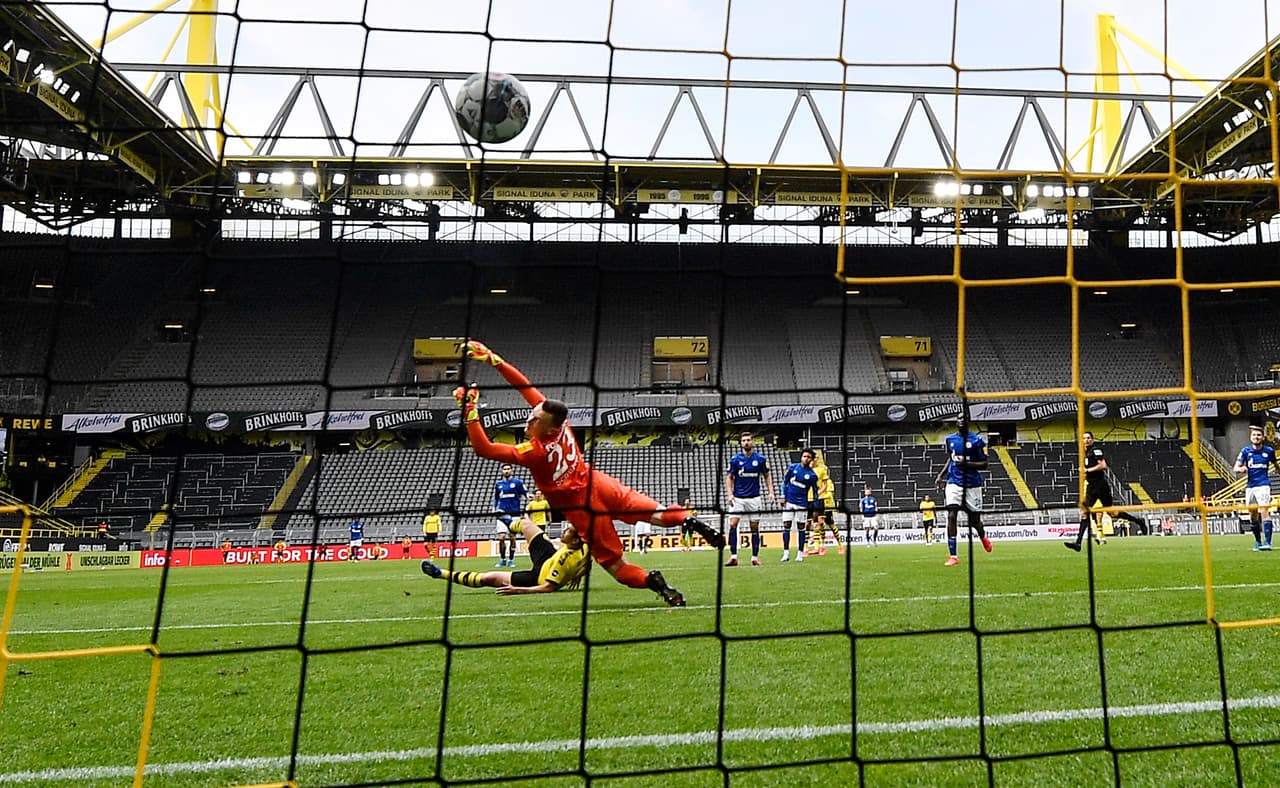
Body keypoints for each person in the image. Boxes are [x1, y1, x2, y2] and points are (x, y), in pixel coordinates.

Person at [452, 340, 722, 606]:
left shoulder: (534, 452)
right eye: (531, 414)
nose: (529, 419)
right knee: (659, 515)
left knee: (617, 567)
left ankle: (657, 584)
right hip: (600, 483)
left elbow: (484, 449)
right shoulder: (560, 424)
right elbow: (526, 387)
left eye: (534, 419)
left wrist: (471, 411)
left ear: (546, 429)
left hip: (585, 509)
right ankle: (689, 520)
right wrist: (494, 360)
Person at [422, 519, 589, 595]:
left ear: (574, 540)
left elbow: (548, 587)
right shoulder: (585, 545)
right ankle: (507, 524)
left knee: (489, 578)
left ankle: (440, 573)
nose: (564, 530)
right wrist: (579, 574)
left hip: (537, 577)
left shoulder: (565, 559)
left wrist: (517, 590)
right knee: (526, 524)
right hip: (548, 558)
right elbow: (589, 559)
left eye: (568, 531)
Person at [1065, 431, 1146, 552]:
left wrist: (1087, 470)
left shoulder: (1096, 450)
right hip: (1091, 487)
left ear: (1092, 440)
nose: (1086, 440)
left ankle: (1138, 521)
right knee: (1085, 513)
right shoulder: (1084, 453)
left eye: (1088, 438)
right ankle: (1078, 543)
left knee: (1112, 513)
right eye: (1084, 438)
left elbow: (1103, 465)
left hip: (1101, 486)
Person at [937, 413, 993, 566]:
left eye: (964, 419)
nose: (961, 421)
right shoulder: (950, 439)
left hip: (972, 484)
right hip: (954, 482)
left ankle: (983, 537)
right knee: (951, 515)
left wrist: (966, 465)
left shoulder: (977, 440)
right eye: (959, 419)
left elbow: (984, 464)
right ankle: (953, 556)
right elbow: (951, 458)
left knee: (975, 521)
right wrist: (940, 475)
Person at [724, 431, 777, 567]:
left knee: (754, 527)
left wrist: (771, 491)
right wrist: (730, 494)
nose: (746, 442)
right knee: (732, 524)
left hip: (754, 498)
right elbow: (729, 478)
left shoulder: (760, 459)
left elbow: (767, 476)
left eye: (748, 440)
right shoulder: (735, 460)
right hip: (738, 498)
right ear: (741, 443)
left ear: (752, 442)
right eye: (744, 440)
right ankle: (733, 556)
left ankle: (754, 557)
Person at [1233, 423, 1279, 551]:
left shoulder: (1269, 451)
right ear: (1250, 437)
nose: (1256, 437)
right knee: (1252, 514)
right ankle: (1258, 542)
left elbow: (1275, 465)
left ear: (1263, 437)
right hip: (1250, 486)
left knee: (1264, 510)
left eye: (1259, 435)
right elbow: (1235, 467)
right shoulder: (1245, 451)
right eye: (1254, 435)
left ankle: (1268, 542)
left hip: (1263, 484)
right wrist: (1241, 468)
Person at [779, 448, 819, 562]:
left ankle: (800, 554)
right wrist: (783, 495)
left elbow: (816, 492)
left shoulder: (812, 475)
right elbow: (785, 482)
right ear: (801, 457)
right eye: (804, 456)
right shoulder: (793, 468)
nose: (806, 459)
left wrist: (816, 508)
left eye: (809, 457)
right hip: (789, 502)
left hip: (802, 504)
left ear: (811, 460)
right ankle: (786, 553)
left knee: (801, 528)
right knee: (786, 526)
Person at [807, 450, 843, 556]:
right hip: (815, 502)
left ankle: (840, 545)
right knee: (818, 524)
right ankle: (821, 546)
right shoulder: (810, 473)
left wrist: (820, 494)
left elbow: (829, 492)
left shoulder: (828, 481)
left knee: (830, 524)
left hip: (826, 504)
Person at [493, 463, 528, 568]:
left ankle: (511, 560)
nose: (507, 471)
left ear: (511, 470)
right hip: (502, 513)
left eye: (508, 469)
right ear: (502, 471)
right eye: (505, 469)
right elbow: (496, 498)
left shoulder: (517, 482)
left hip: (515, 514)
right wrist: (494, 508)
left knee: (512, 537)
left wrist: (528, 496)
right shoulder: (498, 484)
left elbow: (524, 491)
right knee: (502, 537)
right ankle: (502, 559)